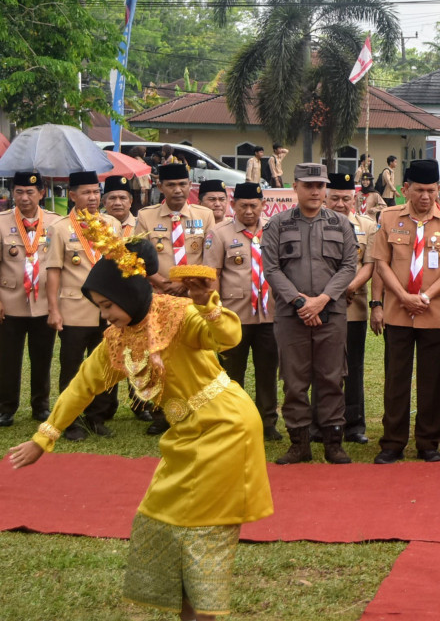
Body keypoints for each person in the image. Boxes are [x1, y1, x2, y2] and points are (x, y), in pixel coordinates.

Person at [8, 224, 273, 621]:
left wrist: (209, 306)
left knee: (204, 529)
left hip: (226, 426)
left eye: (108, 305)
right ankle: (187, 608)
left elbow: (227, 338)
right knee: (158, 519)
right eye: (99, 306)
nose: (105, 314)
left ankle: (204, 613)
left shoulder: (178, 313)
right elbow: (80, 388)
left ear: (129, 294)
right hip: (183, 434)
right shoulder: (115, 341)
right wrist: (43, 438)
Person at [371, 159, 440, 464]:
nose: (425, 196)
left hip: (433, 311)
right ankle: (393, 442)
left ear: (439, 189)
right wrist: (401, 296)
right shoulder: (388, 217)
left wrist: (424, 296)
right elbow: (381, 263)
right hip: (398, 311)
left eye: (431, 190)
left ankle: (429, 441)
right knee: (396, 378)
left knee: (432, 381)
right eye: (419, 190)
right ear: (405, 189)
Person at [262, 163, 358, 465]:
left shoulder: (341, 224)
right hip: (293, 317)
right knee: (294, 380)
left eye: (320, 185)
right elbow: (271, 269)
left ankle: (332, 442)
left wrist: (323, 300)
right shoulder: (277, 224)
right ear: (296, 187)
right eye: (308, 185)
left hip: (332, 314)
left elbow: (348, 267)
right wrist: (301, 303)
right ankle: (299, 443)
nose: (315, 191)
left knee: (331, 377)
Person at [46, 171, 123, 440]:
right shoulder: (60, 228)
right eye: (86, 192)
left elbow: (119, 265)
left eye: (95, 191)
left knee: (107, 365)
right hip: (74, 309)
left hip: (109, 311)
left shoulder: (112, 224)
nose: (92, 197)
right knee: (72, 367)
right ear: (72, 196)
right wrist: (53, 310)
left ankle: (97, 417)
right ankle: (71, 420)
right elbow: (53, 270)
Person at [202, 182, 281, 441]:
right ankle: (230, 420)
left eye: (254, 205)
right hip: (234, 313)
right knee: (231, 371)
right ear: (233, 205)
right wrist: (214, 310)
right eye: (243, 205)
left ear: (263, 205)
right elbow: (213, 273)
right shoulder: (220, 232)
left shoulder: (274, 229)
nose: (248, 211)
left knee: (267, 370)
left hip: (270, 313)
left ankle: (267, 422)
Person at [325, 172, 383, 445]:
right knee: (323, 367)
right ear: (326, 197)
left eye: (345, 198)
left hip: (353, 305)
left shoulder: (367, 226)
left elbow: (370, 265)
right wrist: (331, 293)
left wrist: (347, 289)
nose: (339, 203)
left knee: (354, 367)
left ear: (355, 198)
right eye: (334, 198)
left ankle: (354, 424)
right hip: (322, 306)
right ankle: (321, 422)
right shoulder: (314, 225)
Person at [0, 173, 61, 428]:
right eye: (19, 192)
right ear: (12, 193)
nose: (24, 198)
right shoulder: (2, 222)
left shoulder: (56, 223)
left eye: (30, 192)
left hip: (44, 303)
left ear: (42, 193)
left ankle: (41, 406)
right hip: (10, 300)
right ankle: (6, 408)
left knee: (42, 357)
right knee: (7, 359)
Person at [136, 162, 216, 300]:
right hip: (159, 294)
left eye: (182, 184)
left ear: (190, 185)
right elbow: (138, 259)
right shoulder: (145, 216)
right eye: (171, 185)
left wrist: (186, 284)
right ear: (160, 187)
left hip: (195, 293)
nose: (178, 190)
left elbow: (210, 257)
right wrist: (163, 284)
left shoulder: (205, 215)